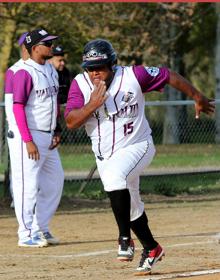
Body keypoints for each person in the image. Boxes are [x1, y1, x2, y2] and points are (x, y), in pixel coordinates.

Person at [64, 39, 215, 275]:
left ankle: (124, 239)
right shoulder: (80, 85)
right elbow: (71, 121)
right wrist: (92, 104)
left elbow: (168, 75)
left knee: (115, 179)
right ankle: (152, 248)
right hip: (105, 154)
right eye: (90, 68)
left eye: (100, 67)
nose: (95, 73)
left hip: (138, 144)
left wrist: (197, 95)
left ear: (112, 64)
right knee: (130, 205)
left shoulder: (134, 76)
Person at [10, 28, 64, 247]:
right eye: (47, 44)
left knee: (55, 181)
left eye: (51, 43)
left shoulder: (51, 71)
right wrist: (28, 140)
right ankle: (26, 234)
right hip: (30, 136)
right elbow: (17, 107)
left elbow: (54, 103)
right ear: (35, 48)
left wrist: (57, 130)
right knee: (27, 185)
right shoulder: (24, 72)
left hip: (48, 135)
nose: (51, 47)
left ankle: (41, 228)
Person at [4, 32, 30, 209]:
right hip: (19, 130)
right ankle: (17, 202)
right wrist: (18, 131)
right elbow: (10, 104)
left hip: (32, 130)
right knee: (21, 174)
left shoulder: (39, 69)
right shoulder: (14, 70)